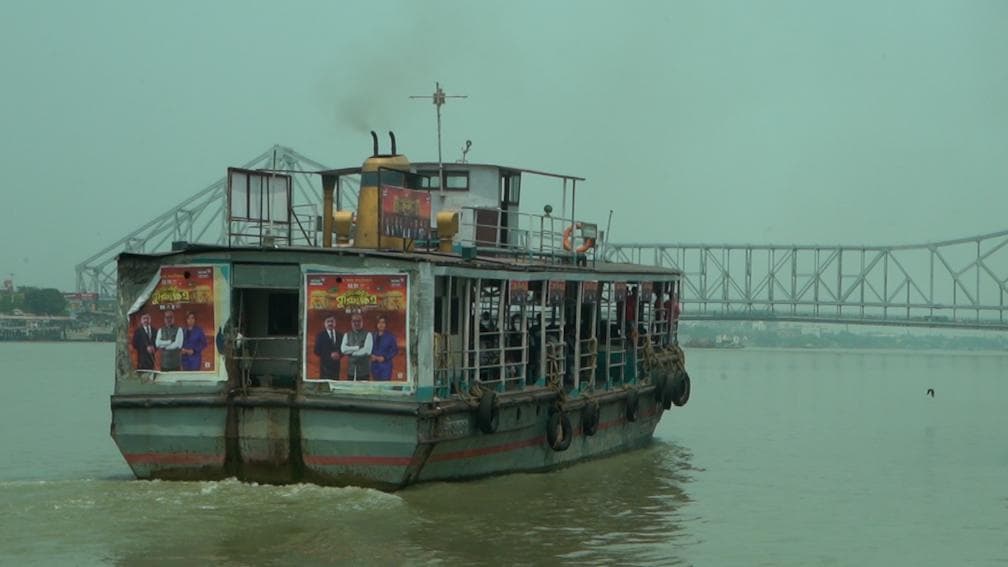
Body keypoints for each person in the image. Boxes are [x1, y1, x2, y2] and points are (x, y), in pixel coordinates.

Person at [341, 311, 373, 380]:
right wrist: (357, 347)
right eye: (354, 321)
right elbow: (343, 350)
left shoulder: (368, 334)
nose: (356, 323)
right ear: (351, 322)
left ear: (362, 322)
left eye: (359, 321)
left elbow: (367, 351)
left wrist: (351, 352)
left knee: (364, 390)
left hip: (364, 371)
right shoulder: (347, 334)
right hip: (351, 370)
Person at [369, 315, 399, 381]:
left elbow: (394, 350)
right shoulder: (371, 335)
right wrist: (370, 355)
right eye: (379, 322)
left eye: (383, 322)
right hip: (374, 366)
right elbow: (368, 348)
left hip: (385, 366)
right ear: (376, 324)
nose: (381, 324)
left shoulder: (390, 336)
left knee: (385, 386)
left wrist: (385, 357)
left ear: (386, 324)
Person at [313, 315, 342, 380]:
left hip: (336, 367)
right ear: (324, 323)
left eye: (332, 321)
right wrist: (329, 355)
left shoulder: (340, 335)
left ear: (335, 323)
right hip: (324, 367)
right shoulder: (320, 335)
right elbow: (316, 351)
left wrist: (339, 354)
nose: (330, 323)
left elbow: (343, 349)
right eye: (328, 321)